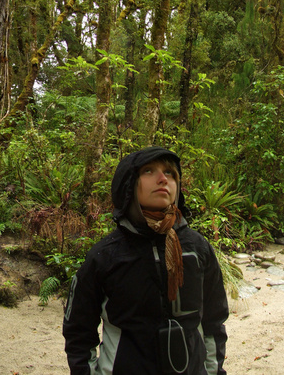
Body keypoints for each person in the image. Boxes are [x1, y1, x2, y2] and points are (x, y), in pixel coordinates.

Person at [63, 147, 228, 375]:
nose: (163, 179)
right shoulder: (106, 257)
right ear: (128, 183)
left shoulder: (197, 249)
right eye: (149, 171)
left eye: (170, 173)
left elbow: (213, 322)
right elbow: (78, 331)